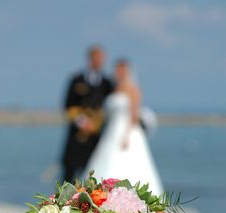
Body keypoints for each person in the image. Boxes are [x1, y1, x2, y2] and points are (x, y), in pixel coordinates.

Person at [84, 59, 163, 196]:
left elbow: (134, 114)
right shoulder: (114, 88)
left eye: (121, 70)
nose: (118, 72)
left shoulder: (133, 89)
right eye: (116, 69)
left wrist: (127, 136)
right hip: (111, 132)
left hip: (128, 132)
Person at [62, 46, 114, 182]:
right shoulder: (76, 80)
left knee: (91, 171)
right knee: (70, 169)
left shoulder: (107, 83)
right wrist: (82, 122)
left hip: (96, 136)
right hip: (77, 135)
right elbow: (68, 104)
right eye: (97, 58)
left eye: (102, 59)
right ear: (90, 59)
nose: (100, 62)